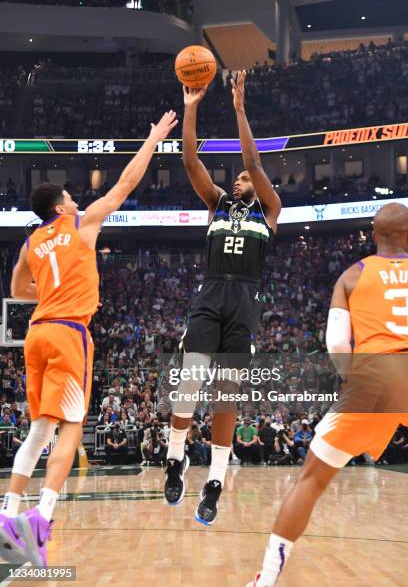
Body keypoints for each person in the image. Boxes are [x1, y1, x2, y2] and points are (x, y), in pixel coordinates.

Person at [0, 110, 177, 566]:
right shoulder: (81, 225)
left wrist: (48, 289)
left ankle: (9, 512)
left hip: (35, 334)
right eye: (71, 197)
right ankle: (43, 513)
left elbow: (17, 290)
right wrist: (154, 138)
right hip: (68, 333)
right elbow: (126, 183)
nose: (77, 200)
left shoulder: (31, 242)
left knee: (39, 428)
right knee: (72, 427)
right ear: (60, 207)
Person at [247, 202, 408, 586]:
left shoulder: (353, 275)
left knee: (312, 480)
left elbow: (336, 343)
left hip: (374, 375)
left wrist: (355, 380)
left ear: (372, 235)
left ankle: (266, 580)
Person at [164, 70, 281, 525]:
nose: (238, 181)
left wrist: (238, 109)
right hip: (211, 294)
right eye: (234, 179)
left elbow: (253, 162)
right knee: (190, 382)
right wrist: (191, 107)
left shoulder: (271, 209)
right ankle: (176, 459)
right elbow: (191, 161)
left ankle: (214, 483)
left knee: (226, 393)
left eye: (243, 181)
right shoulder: (215, 204)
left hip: (244, 301)